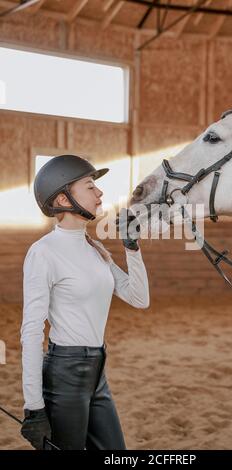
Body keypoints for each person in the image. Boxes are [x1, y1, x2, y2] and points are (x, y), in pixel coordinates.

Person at [20, 154, 150, 450]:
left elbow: (139, 298)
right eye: (90, 186)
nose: (99, 192)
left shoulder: (94, 248)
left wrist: (132, 248)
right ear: (64, 200)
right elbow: (30, 331)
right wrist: (34, 407)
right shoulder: (43, 253)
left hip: (97, 373)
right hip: (64, 376)